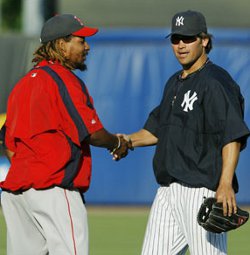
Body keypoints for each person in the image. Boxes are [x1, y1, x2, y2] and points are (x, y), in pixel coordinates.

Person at [120, 10, 250, 255]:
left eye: (188, 38)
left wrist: (225, 184)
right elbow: (158, 128)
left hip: (202, 191)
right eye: (176, 38)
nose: (181, 45)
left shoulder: (216, 81)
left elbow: (231, 134)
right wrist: (126, 141)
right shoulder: (175, 82)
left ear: (204, 40)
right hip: (168, 191)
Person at [0, 14, 132, 255]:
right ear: (62, 44)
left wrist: (30, 170)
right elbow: (92, 132)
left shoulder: (23, 84)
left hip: (17, 194)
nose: (87, 46)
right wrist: (117, 143)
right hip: (53, 190)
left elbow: (6, 139)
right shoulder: (63, 79)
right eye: (81, 40)